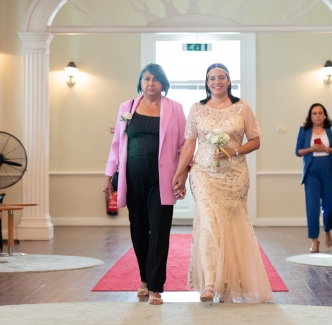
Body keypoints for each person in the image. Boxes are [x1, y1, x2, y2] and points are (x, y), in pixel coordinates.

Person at [171, 63, 273, 304]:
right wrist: (179, 174)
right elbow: (189, 145)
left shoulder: (242, 107)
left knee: (229, 227)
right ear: (206, 83)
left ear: (229, 81)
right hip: (203, 173)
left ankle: (228, 282)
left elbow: (256, 141)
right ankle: (209, 283)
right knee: (208, 222)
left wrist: (233, 151)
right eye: (211, 78)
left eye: (221, 77)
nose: (216, 81)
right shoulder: (197, 109)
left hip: (235, 175)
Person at [104, 64, 187, 306]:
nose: (150, 83)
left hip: (163, 179)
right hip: (133, 178)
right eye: (145, 79)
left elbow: (184, 145)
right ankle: (144, 278)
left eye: (155, 80)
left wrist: (183, 173)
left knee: (160, 232)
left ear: (163, 84)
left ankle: (156, 287)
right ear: (140, 82)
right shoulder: (127, 107)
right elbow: (117, 144)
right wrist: (109, 175)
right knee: (138, 231)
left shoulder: (175, 109)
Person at [295, 103, 332, 253]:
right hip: (311, 171)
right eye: (314, 113)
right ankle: (314, 240)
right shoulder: (304, 131)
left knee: (329, 206)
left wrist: (327, 149)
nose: (317, 115)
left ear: (324, 115)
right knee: (312, 206)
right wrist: (312, 149)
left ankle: (327, 229)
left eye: (320, 113)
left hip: (329, 170)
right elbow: (298, 151)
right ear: (310, 116)